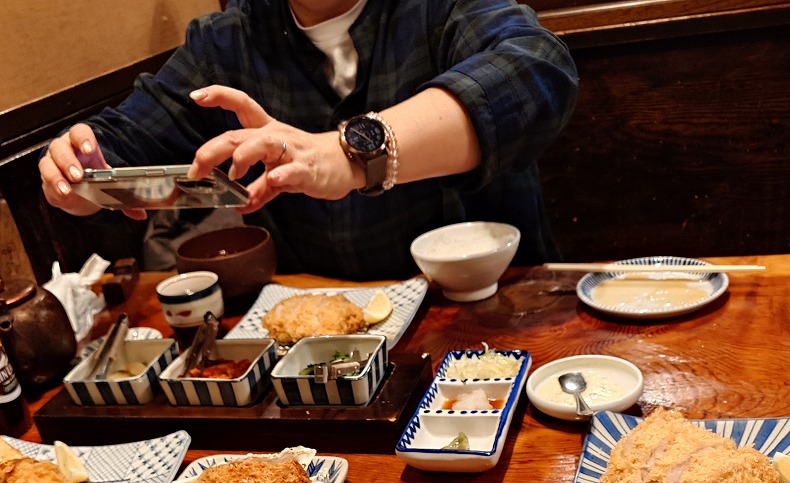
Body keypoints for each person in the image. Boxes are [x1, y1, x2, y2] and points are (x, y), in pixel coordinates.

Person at [39, 0, 578, 279]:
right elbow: (123, 141)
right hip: (326, 332)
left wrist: (352, 153)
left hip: (489, 307)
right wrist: (77, 175)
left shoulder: (443, 7)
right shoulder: (228, 39)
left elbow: (539, 68)